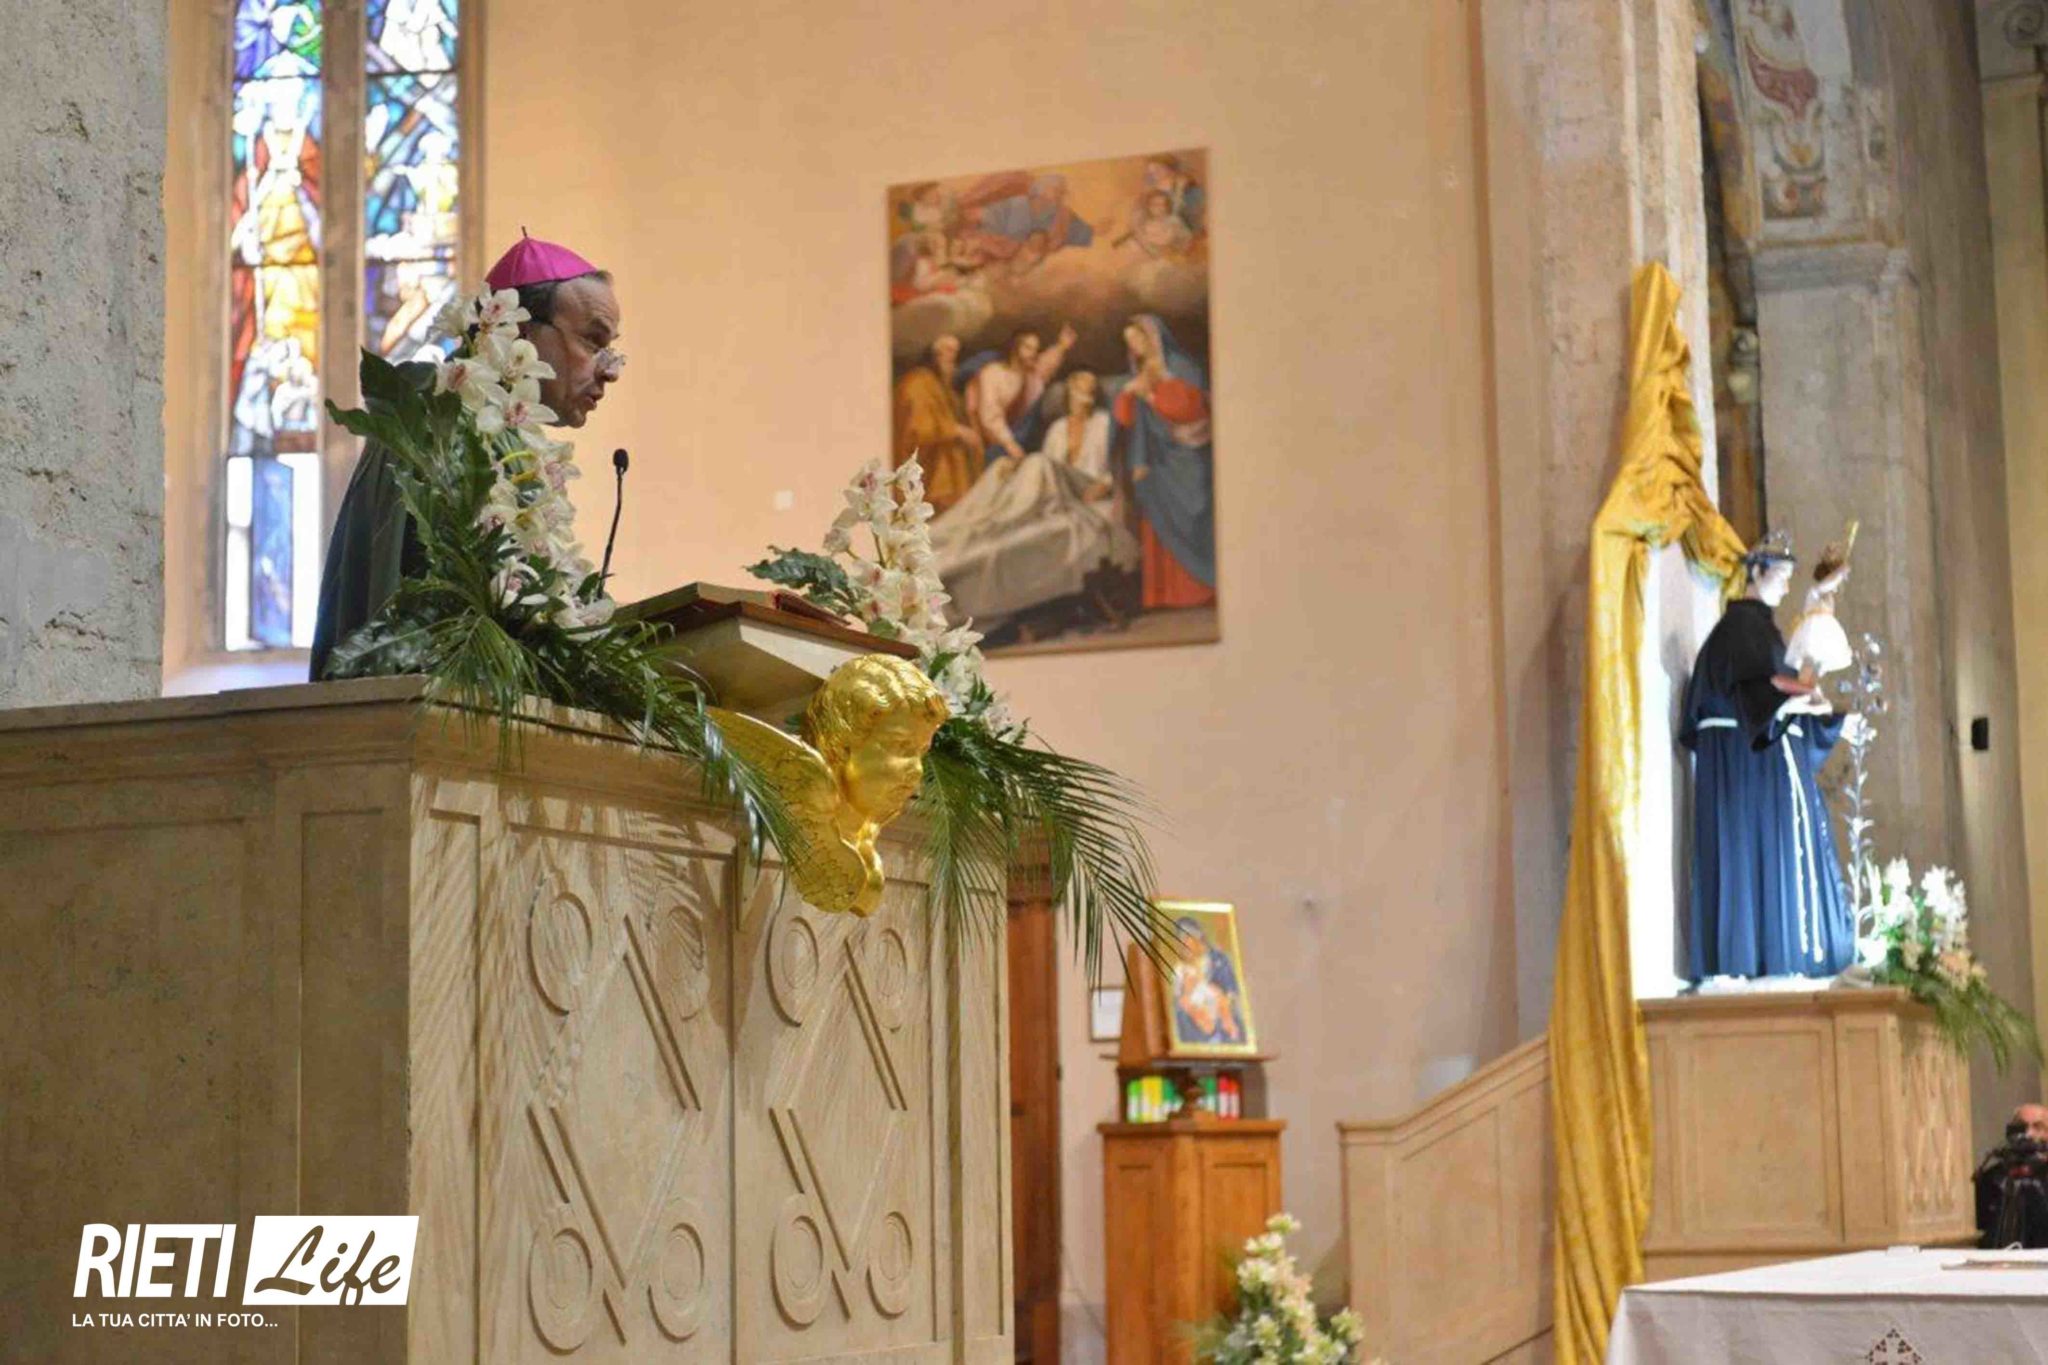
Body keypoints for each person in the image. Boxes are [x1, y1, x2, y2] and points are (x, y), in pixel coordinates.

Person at [308, 233, 626, 680]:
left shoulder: (515, 442)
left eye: (611, 350)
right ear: (519, 331)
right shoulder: (437, 410)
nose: (610, 372)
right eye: (594, 342)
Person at [1679, 533, 1854, 980]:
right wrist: (1799, 699)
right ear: (1756, 573)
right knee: (1754, 873)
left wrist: (1825, 714)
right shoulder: (1740, 629)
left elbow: (1785, 687)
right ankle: (1758, 960)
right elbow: (1763, 694)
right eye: (1780, 575)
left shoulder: (1763, 632)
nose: (1785, 585)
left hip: (1763, 768)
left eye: (1791, 577)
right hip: (1745, 769)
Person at [928, 369, 1138, 626]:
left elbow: (1118, 463)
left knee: (1038, 462)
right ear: (1069, 393)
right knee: (1003, 467)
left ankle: (1007, 517)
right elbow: (1047, 477)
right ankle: (983, 518)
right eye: (1081, 390)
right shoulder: (1058, 429)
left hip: (1087, 487)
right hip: (1060, 490)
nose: (1087, 396)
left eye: (1091, 391)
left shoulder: (1103, 423)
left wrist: (1105, 484)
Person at [1108, 314, 1217, 611]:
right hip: (1155, 461)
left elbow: (1192, 409)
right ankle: (1167, 594)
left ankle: (1202, 588)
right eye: (1129, 343)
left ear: (1152, 337)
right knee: (1157, 517)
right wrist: (1127, 396)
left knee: (1195, 516)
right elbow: (1125, 420)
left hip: (1188, 456)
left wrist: (1151, 396)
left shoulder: (1182, 366)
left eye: (1138, 339)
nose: (1135, 347)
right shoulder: (1139, 373)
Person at [890, 335, 984, 514]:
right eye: (948, 351)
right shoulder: (917, 383)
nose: (952, 357)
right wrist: (956, 430)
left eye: (955, 352)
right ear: (933, 354)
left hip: (948, 475)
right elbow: (917, 430)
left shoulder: (942, 386)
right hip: (927, 473)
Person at [960, 325, 1077, 465]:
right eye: (1028, 348)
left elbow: (1046, 364)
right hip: (998, 443)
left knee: (1058, 392)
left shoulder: (1031, 375)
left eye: (1035, 349)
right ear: (1014, 348)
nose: (1033, 354)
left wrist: (1062, 346)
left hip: (1028, 438)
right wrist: (1010, 445)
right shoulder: (993, 373)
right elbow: (990, 417)